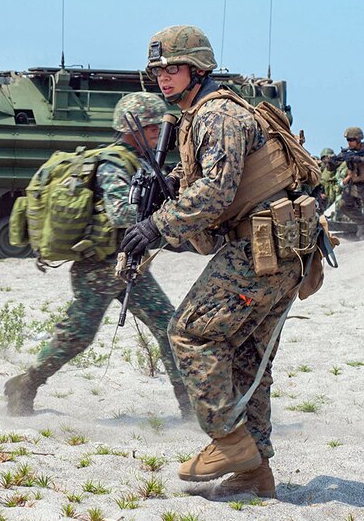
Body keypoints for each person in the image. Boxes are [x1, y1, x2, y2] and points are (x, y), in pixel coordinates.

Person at [120, 25, 317, 499]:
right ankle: (256, 472)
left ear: (198, 69)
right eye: (158, 71)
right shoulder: (201, 116)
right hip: (277, 246)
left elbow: (214, 192)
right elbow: (202, 177)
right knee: (246, 356)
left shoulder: (218, 113)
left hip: (261, 248)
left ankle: (229, 442)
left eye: (172, 69)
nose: (163, 79)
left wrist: (156, 227)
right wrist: (165, 190)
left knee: (190, 332)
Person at [4, 93, 192, 420]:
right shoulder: (115, 162)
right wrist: (158, 212)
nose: (155, 133)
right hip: (100, 267)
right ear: (132, 128)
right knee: (78, 336)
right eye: (150, 127)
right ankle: (25, 384)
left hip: (126, 262)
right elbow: (122, 214)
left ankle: (191, 409)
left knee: (168, 326)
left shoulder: (142, 160)